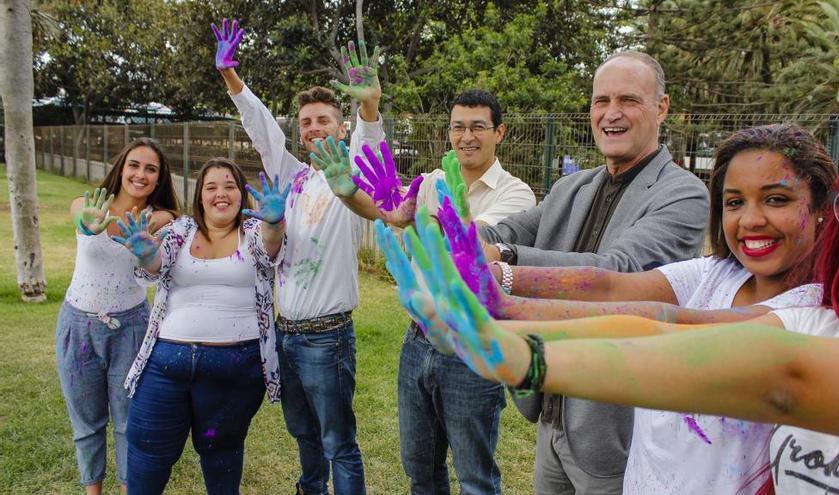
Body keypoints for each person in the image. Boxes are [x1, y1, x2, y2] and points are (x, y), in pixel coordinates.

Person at [401, 118, 839, 493]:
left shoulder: (814, 315)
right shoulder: (717, 272)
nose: (751, 219)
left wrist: (525, 350)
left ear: (822, 207)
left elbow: (674, 327)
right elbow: (609, 287)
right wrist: (501, 290)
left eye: (775, 199)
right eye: (734, 202)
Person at [478, 51, 709, 494]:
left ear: (661, 108)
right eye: (601, 101)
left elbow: (616, 269)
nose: (611, 114)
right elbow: (505, 230)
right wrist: (438, 225)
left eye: (628, 100)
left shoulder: (683, 193)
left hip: (613, 426)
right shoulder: (573, 187)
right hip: (554, 408)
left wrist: (502, 260)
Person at [314, 85, 537, 492]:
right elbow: (388, 209)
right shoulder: (432, 180)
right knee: (420, 468)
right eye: (457, 127)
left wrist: (411, 219)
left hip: (474, 340)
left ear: (499, 132)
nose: (466, 136)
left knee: (475, 476)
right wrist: (348, 192)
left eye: (478, 127)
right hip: (418, 339)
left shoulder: (517, 194)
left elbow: (471, 249)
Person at [213, 18, 381, 494]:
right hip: (285, 337)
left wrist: (369, 103)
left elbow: (370, 138)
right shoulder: (294, 176)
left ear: (340, 125)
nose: (312, 129)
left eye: (323, 120)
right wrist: (231, 77)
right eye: (305, 122)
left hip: (328, 340)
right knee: (303, 434)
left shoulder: (353, 174)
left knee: (337, 441)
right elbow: (263, 128)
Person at [117, 158, 287, 494]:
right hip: (165, 364)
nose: (220, 194)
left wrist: (276, 223)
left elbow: (270, 251)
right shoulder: (179, 231)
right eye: (211, 187)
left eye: (229, 186)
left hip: (236, 371)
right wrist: (144, 254)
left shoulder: (253, 231)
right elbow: (153, 267)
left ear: (242, 195)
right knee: (147, 453)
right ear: (199, 196)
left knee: (221, 454)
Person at [55, 137, 179, 495]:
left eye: (150, 169)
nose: (140, 174)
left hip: (132, 327)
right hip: (77, 325)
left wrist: (163, 217)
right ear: (121, 168)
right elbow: (79, 215)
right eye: (134, 165)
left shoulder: (159, 221)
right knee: (87, 422)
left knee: (129, 421)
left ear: (159, 178)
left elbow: (168, 235)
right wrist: (87, 222)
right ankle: (92, 490)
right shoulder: (88, 203)